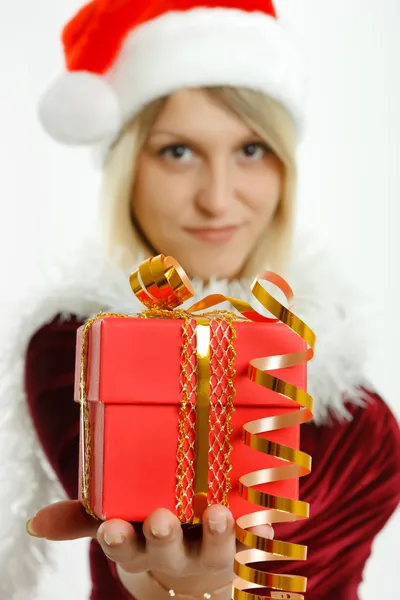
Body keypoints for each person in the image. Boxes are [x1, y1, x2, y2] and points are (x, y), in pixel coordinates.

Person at [1, 0, 399, 599]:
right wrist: (168, 588)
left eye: (250, 150)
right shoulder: (82, 345)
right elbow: (143, 543)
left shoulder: (334, 370)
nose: (218, 199)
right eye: (178, 152)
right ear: (126, 167)